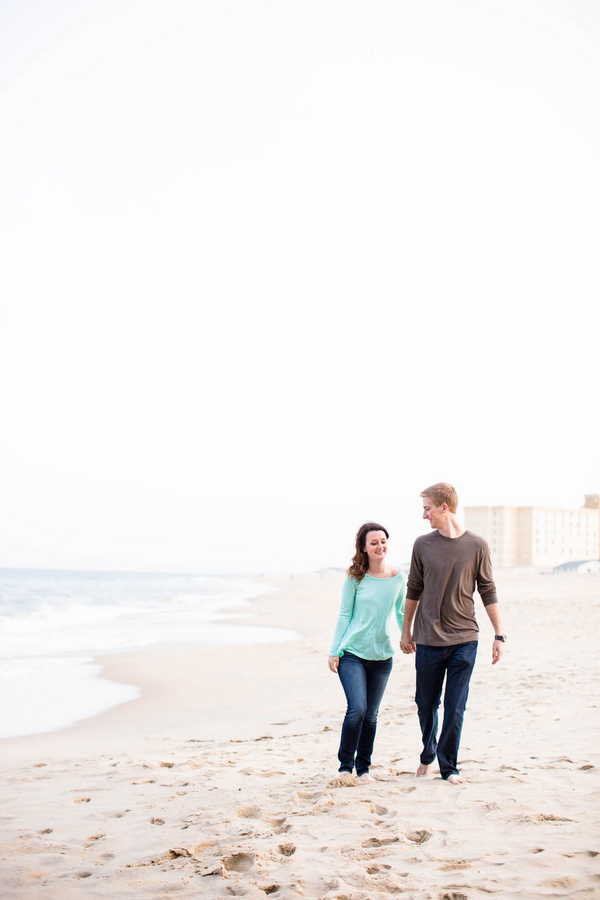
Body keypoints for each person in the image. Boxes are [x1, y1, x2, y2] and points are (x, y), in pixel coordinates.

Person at [400, 483, 505, 785]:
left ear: (444, 508)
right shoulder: (422, 545)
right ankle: (428, 753)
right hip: (428, 640)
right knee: (425, 704)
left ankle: (449, 767)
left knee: (455, 706)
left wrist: (499, 635)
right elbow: (413, 589)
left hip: (464, 639)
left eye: (427, 508)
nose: (424, 515)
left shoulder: (477, 546)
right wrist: (406, 631)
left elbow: (487, 589)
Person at [328, 522, 406, 783]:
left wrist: (408, 636)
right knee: (357, 709)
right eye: (373, 542)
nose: (379, 546)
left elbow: (401, 612)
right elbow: (344, 614)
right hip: (352, 652)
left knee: (371, 715)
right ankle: (344, 767)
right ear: (364, 547)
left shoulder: (398, 577)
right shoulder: (355, 576)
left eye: (383, 541)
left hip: (382, 656)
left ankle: (364, 769)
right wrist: (334, 650)